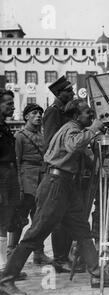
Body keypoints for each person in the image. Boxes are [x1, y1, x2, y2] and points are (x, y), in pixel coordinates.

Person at [0, 99, 109, 295]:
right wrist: (93, 129)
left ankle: (96, 273)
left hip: (66, 185)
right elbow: (74, 145)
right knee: (35, 234)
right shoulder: (71, 129)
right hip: (56, 184)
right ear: (76, 116)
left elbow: (84, 151)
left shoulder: (74, 128)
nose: (90, 117)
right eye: (87, 114)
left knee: (82, 231)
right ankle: (5, 280)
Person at [7, 104, 53, 266]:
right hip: (26, 180)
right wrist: (19, 186)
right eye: (34, 113)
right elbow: (17, 161)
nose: (39, 116)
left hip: (41, 177)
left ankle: (38, 253)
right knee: (20, 217)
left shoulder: (42, 135)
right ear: (26, 117)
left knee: (39, 218)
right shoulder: (20, 136)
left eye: (40, 113)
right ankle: (11, 252)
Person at [44, 75, 78, 273]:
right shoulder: (53, 112)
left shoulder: (65, 112)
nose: (72, 93)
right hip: (57, 170)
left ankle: (64, 256)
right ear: (59, 94)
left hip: (68, 170)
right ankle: (59, 259)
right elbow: (49, 143)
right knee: (56, 217)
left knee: (68, 215)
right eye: (69, 91)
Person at [0, 90, 27, 281]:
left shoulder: (4, 125)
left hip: (9, 175)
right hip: (1, 176)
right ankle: (3, 270)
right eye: (8, 103)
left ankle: (5, 268)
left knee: (7, 220)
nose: (12, 107)